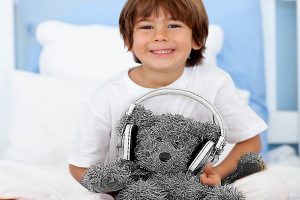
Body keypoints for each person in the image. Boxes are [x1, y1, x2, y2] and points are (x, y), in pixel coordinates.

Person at [68, 0, 288, 199]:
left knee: (270, 186)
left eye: (173, 25)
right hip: (133, 193)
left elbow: (251, 141)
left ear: (197, 39)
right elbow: (80, 167)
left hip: (194, 190)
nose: (160, 35)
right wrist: (122, 191)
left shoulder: (214, 81)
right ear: (129, 40)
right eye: (146, 27)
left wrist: (218, 174)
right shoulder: (109, 94)